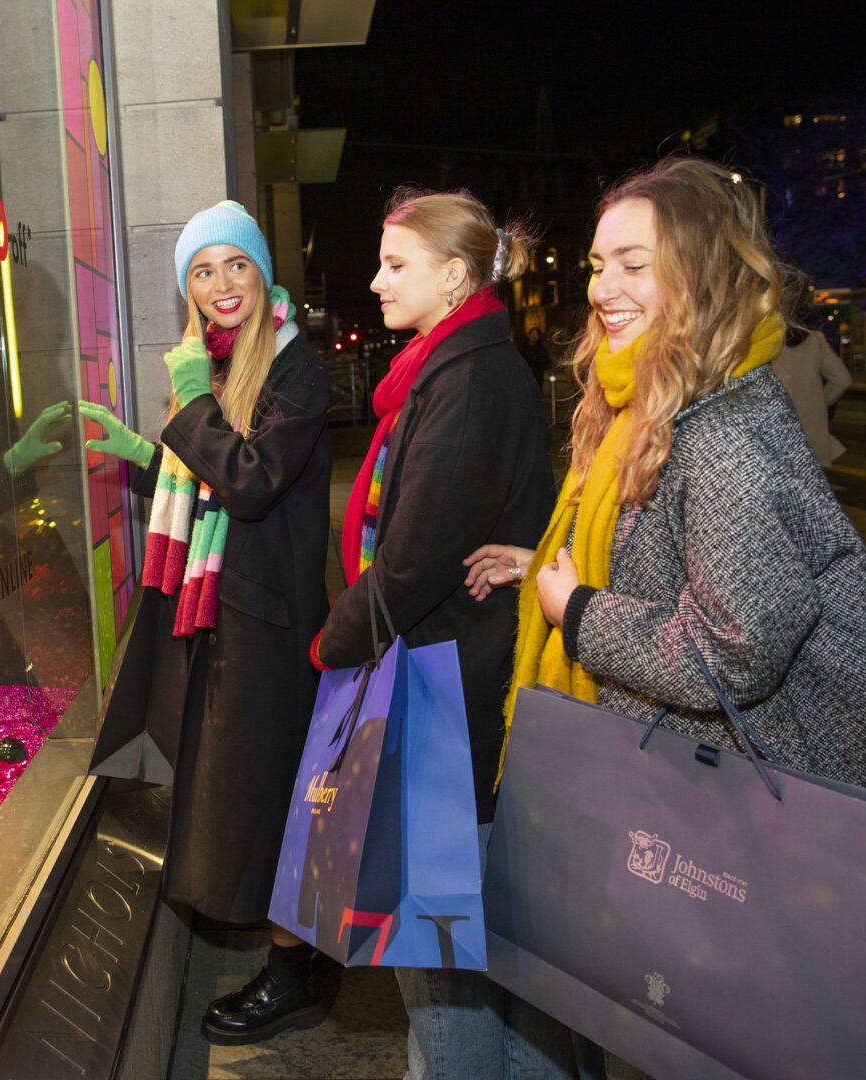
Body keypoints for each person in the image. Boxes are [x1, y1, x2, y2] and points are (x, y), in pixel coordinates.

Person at [467, 155, 866, 791]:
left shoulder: (725, 435)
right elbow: (670, 563)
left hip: (725, 808)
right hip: (676, 778)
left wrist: (578, 612)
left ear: (705, 276)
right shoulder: (655, 402)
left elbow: (735, 653)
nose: (603, 289)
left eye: (634, 265)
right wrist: (548, 565)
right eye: (599, 266)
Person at [311, 187, 561, 1079]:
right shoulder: (453, 368)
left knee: (438, 955)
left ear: (455, 278)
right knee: (475, 953)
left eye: (395, 264)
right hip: (458, 681)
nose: (375, 282)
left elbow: (412, 561)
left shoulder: (466, 381)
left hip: (447, 692)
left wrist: (331, 644)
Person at [79, 201, 333, 1044]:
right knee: (249, 800)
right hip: (225, 617)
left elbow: (251, 480)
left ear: (262, 272)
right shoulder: (218, 367)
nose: (222, 286)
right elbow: (212, 473)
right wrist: (146, 453)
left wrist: (187, 404)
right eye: (202, 271)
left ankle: (294, 975)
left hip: (270, 629)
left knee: (267, 805)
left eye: (236, 266)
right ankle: (294, 960)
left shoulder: (295, 365)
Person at [771, 324, 851, 466]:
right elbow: (842, 380)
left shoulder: (760, 342)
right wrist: (818, 404)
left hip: (775, 441)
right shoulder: (816, 339)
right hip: (813, 440)